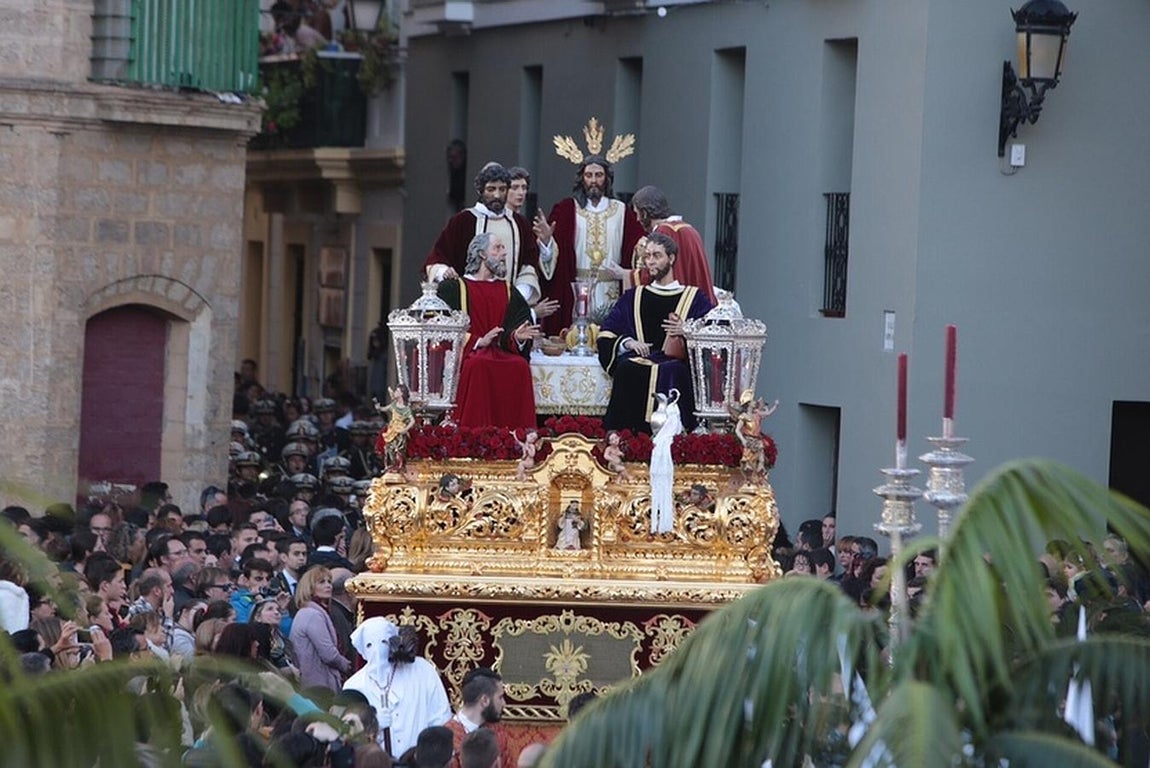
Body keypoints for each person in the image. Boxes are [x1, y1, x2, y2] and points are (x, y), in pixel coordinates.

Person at [596, 232, 713, 433]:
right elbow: (607, 332)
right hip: (638, 361)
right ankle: (626, 441)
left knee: (672, 371)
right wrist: (628, 342)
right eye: (647, 256)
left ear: (672, 258)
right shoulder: (634, 296)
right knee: (626, 368)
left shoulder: (694, 297)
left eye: (657, 256)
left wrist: (687, 331)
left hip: (676, 364)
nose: (651, 262)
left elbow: (713, 334)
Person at [437, 233, 540, 428]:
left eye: (504, 248)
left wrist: (515, 337)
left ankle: (516, 437)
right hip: (470, 353)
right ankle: (475, 436)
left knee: (520, 366)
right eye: (498, 248)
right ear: (482, 254)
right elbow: (441, 326)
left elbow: (517, 322)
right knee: (479, 365)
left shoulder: (508, 289)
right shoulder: (455, 287)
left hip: (501, 351)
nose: (504, 253)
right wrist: (477, 341)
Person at [424, 163, 551, 311]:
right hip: (469, 307)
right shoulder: (463, 221)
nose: (497, 195)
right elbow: (438, 256)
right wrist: (443, 271)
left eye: (502, 189)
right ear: (480, 190)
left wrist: (516, 296)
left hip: (509, 308)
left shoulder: (520, 223)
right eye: (491, 189)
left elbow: (529, 264)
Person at [541, 154, 645, 334]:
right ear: (582, 178)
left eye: (599, 175)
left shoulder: (621, 210)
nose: (594, 181)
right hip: (578, 290)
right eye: (589, 175)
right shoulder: (567, 209)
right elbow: (553, 257)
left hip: (611, 291)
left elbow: (640, 249)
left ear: (607, 178)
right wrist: (546, 241)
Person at [343, 618, 452, 759]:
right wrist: (374, 726)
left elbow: (440, 718)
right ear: (363, 651)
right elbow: (348, 736)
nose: (377, 650)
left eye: (383, 642)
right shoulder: (354, 685)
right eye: (369, 645)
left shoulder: (422, 670)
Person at [623, 185, 718, 305]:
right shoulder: (690, 230)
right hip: (695, 304)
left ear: (645, 213)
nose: (637, 219)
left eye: (638, 214)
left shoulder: (661, 234)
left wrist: (625, 274)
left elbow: (654, 273)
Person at [289, 565, 352, 691]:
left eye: (329, 581)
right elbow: (329, 654)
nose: (328, 585)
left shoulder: (314, 612)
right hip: (318, 684)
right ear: (310, 587)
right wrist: (349, 667)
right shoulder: (312, 614)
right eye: (321, 582)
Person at [443, 667, 515, 768]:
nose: (504, 703)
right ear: (485, 700)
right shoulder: (448, 739)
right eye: (500, 697)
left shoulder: (498, 733)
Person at [379, 385, 415, 473]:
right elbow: (385, 408)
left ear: (402, 393)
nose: (395, 392)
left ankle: (399, 466)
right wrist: (379, 407)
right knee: (389, 448)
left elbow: (412, 421)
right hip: (392, 430)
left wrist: (405, 429)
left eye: (397, 391)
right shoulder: (394, 405)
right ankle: (391, 465)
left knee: (398, 449)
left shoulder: (406, 409)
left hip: (400, 431)